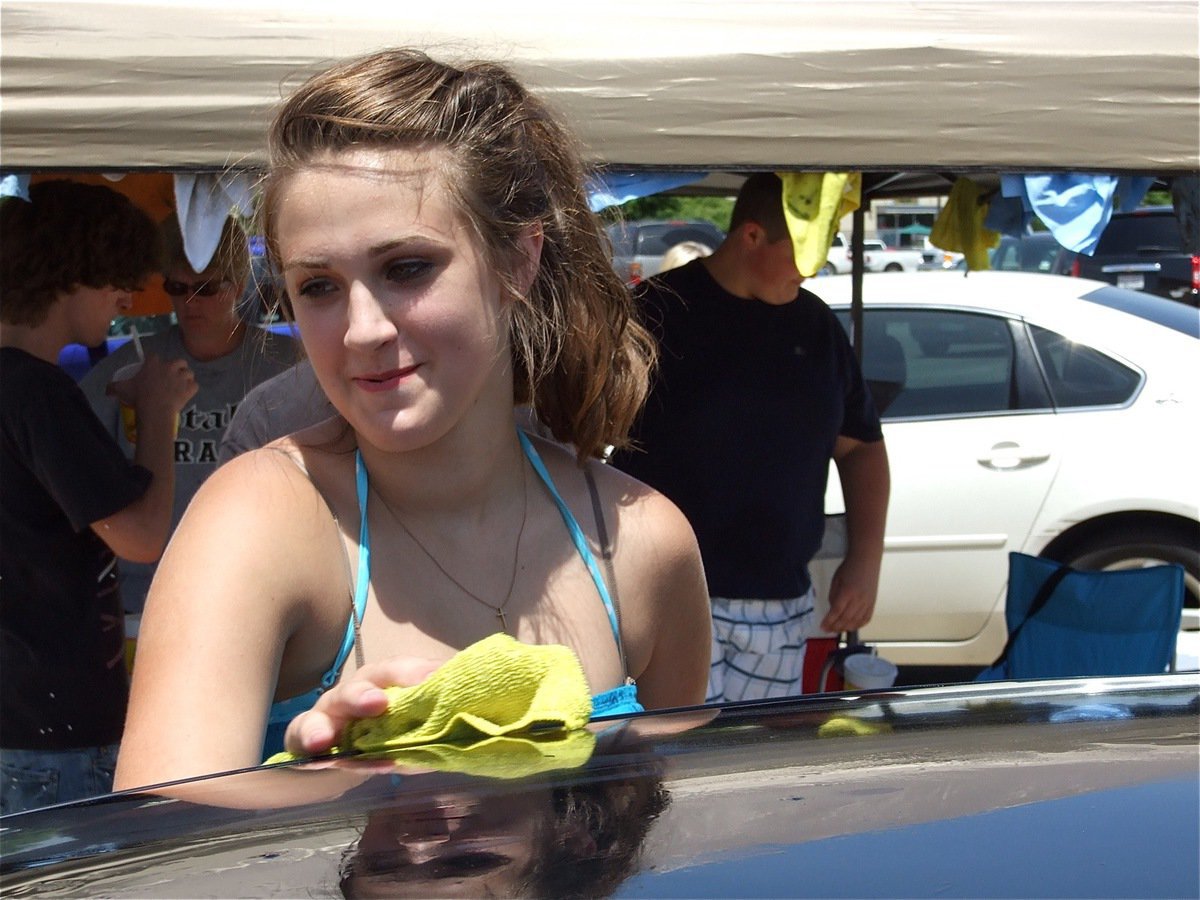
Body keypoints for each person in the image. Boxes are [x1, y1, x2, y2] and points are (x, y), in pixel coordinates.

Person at [113, 48, 711, 790]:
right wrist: (320, 790)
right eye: (319, 285)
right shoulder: (256, 523)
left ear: (517, 263)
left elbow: (667, 836)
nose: (361, 328)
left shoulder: (643, 544)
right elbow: (166, 856)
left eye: (407, 269)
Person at [610, 173, 890, 704]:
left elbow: (861, 448)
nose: (810, 270)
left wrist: (866, 560)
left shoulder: (817, 328)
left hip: (778, 603)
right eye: (801, 254)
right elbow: (585, 429)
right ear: (752, 237)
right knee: (675, 767)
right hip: (666, 592)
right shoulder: (657, 312)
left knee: (758, 768)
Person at [0, 180, 197, 813]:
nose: (126, 297)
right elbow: (139, 536)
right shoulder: (36, 393)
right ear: (71, 270)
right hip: (53, 739)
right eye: (117, 278)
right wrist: (159, 415)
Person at [80, 214, 298, 613]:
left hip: (261, 587)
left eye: (206, 288)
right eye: (177, 287)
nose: (189, 302)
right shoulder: (131, 368)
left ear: (240, 285)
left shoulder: (290, 365)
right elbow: (62, 455)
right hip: (143, 593)